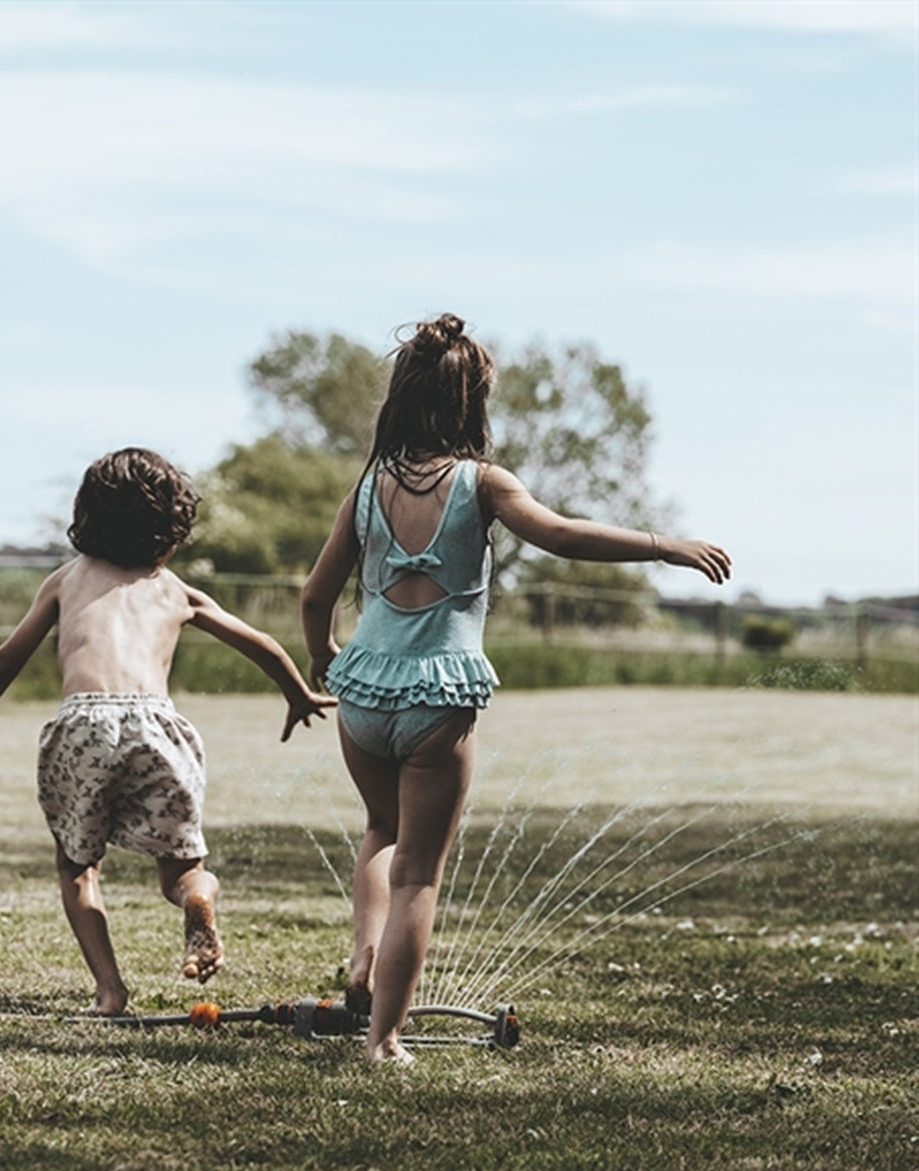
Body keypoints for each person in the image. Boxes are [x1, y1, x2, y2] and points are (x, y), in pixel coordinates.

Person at [300, 314, 731, 1062]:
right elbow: (559, 534)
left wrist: (323, 657)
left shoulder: (367, 489)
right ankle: (383, 1039)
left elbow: (315, 596)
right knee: (418, 875)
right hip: (437, 701)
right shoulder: (482, 483)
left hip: (363, 692)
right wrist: (664, 546)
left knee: (381, 830)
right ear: (471, 403)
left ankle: (364, 957)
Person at [0, 447, 335, 1015]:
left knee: (77, 867)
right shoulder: (174, 589)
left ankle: (110, 990)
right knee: (182, 870)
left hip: (82, 725)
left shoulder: (67, 580)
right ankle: (197, 898)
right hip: (158, 727)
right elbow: (262, 644)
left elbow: (4, 660)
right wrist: (298, 694)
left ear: (86, 517)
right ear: (169, 532)